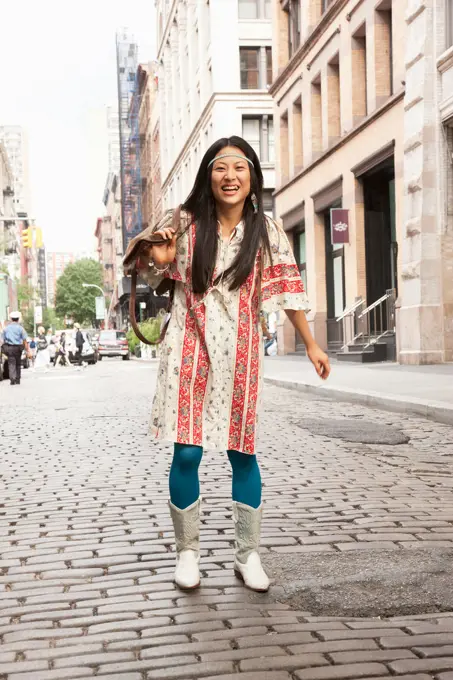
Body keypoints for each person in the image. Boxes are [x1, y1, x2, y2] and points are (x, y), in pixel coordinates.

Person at [133, 136, 330, 593]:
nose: (230, 176)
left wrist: (313, 345)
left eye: (239, 168)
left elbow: (286, 291)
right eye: (221, 168)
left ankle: (248, 555)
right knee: (188, 452)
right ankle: (187, 554)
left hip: (240, 353)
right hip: (188, 347)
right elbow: (153, 268)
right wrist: (158, 259)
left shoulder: (268, 232)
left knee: (243, 452)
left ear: (252, 178)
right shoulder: (182, 224)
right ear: (209, 175)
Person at [0, 311, 31, 385]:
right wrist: (27, 350)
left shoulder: (6, 329)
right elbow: (25, 340)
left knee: (11, 363)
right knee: (18, 363)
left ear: (11, 319)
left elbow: (2, 340)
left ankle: (12, 379)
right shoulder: (21, 328)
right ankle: (17, 379)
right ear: (18, 319)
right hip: (18, 348)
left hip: (9, 347)